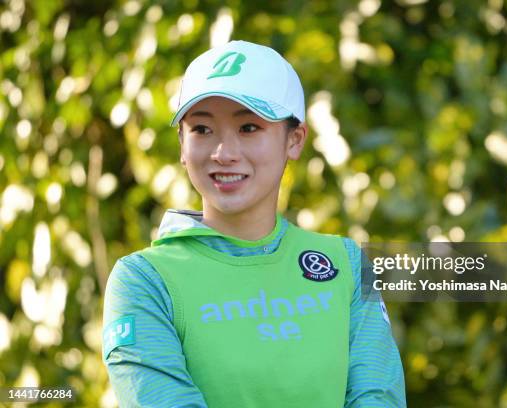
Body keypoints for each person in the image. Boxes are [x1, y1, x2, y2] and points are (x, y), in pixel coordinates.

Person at [102, 40, 406, 407]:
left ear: (294, 140)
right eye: (201, 129)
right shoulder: (144, 281)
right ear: (182, 144)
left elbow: (378, 397)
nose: (224, 153)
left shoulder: (345, 264)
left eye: (248, 127)